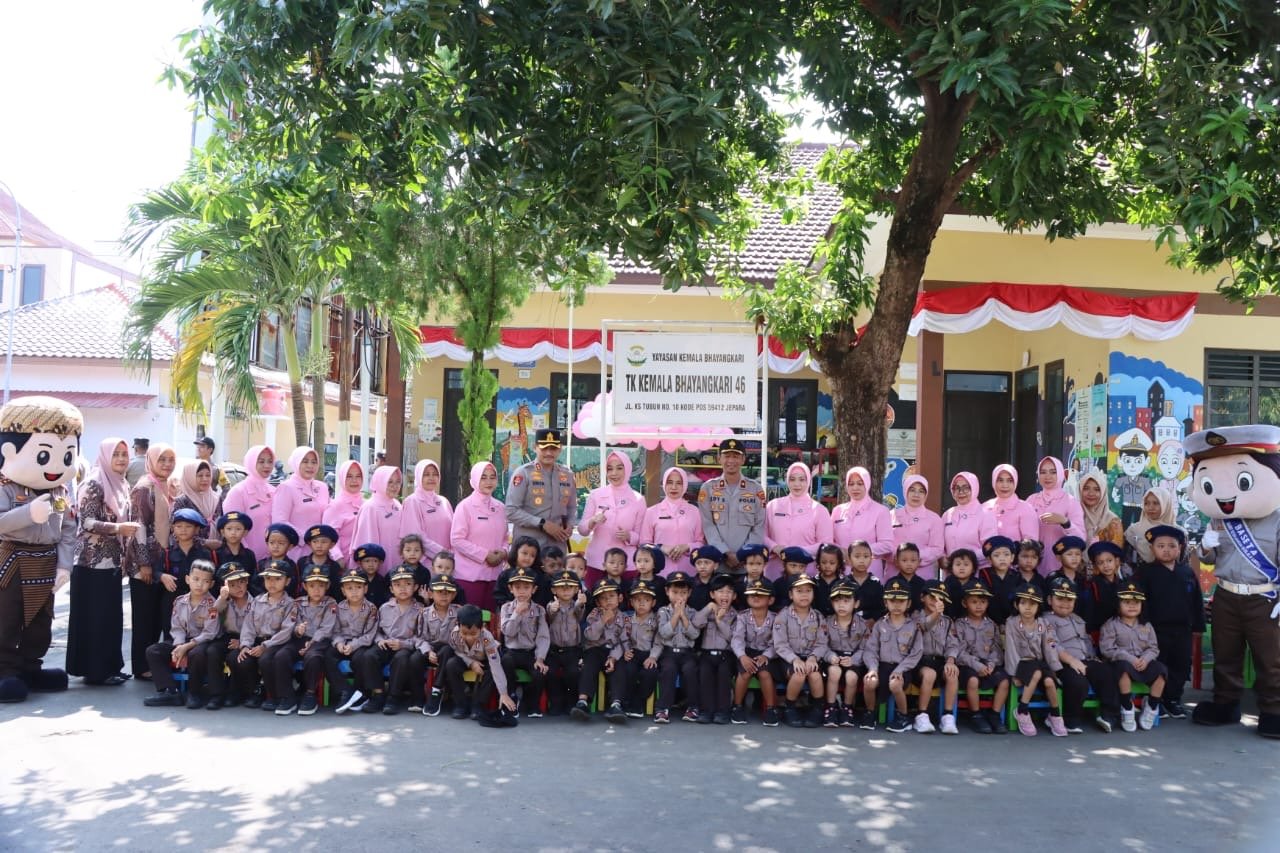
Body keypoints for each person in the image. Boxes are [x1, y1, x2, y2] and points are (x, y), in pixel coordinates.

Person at [68, 437, 138, 686]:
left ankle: (110, 667)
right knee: (96, 619)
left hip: (112, 564)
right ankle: (95, 671)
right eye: (115, 454)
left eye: (124, 454)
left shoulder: (121, 483)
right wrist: (117, 528)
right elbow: (86, 522)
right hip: (91, 564)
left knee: (110, 618)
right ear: (105, 456)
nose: (121, 459)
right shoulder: (94, 483)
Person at [1134, 524, 1204, 720]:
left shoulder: (1187, 572)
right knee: (1159, 665)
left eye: (1172, 546)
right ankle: (1156, 700)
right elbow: (1140, 602)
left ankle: (1173, 700)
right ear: (1152, 548)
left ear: (1180, 548)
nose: (1166, 550)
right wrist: (1143, 624)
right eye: (1161, 546)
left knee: (1181, 665)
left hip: (1183, 630)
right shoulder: (1145, 572)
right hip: (1156, 630)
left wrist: (1198, 626)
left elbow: (1196, 600)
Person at [1043, 576, 1121, 733]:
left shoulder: (1078, 619)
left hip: (1085, 659)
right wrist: (1071, 660)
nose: (1065, 603)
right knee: (1078, 682)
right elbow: (1051, 644)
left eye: (1069, 600)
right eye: (1060, 599)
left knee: (1106, 672)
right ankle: (1071, 720)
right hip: (1062, 663)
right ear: (1050, 600)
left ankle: (1108, 716)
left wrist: (1094, 658)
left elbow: (1085, 640)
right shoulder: (1045, 620)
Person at [126, 442, 177, 680]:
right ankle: (141, 666)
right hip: (145, 565)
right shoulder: (144, 488)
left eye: (170, 460)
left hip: (162, 562)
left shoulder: (166, 485)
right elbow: (139, 527)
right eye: (162, 460)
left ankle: (153, 664)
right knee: (145, 618)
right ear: (151, 461)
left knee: (157, 617)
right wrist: (144, 563)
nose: (167, 464)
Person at [142, 560, 221, 707]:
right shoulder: (179, 601)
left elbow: (210, 633)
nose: (199, 584)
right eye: (196, 579)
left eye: (205, 581)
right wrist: (179, 646)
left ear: (211, 584)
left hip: (202, 642)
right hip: (183, 640)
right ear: (187, 579)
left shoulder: (212, 605)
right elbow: (177, 627)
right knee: (153, 651)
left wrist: (187, 647)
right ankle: (171, 692)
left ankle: (194, 693)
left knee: (196, 654)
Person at [1099, 579, 1167, 732]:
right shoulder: (1111, 624)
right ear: (1118, 604)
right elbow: (1107, 650)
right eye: (1127, 602)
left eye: (1136, 602)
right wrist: (1129, 658)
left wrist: (1146, 659)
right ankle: (1127, 707)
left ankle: (1152, 706)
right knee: (1123, 669)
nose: (1132, 606)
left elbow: (1153, 648)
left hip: (1143, 663)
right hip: (1121, 663)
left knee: (1161, 671)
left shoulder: (1146, 625)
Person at [234, 560, 300, 712]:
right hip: (258, 641)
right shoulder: (257, 601)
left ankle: (275, 696)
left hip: (278, 643)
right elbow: (249, 626)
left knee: (266, 659)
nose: (272, 583)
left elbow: (286, 631)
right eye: (268, 578)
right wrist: (245, 645)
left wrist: (265, 646)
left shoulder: (290, 603)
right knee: (241, 659)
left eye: (278, 579)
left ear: (287, 581)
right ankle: (257, 692)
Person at [862, 576, 923, 733]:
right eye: (892, 601)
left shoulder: (913, 627)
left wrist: (900, 670)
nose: (896, 605)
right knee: (869, 681)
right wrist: (872, 669)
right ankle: (870, 713)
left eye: (901, 601)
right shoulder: (879, 625)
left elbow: (916, 653)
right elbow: (870, 650)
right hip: (882, 667)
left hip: (903, 668)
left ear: (908, 603)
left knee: (895, 684)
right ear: (885, 602)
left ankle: (903, 716)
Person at [697, 439, 766, 576]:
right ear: (719, 458)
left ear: (743, 459)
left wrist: (743, 554)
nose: (731, 461)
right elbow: (707, 524)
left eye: (736, 456)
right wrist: (725, 552)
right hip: (717, 563)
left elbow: (759, 525)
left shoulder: (756, 489)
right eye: (727, 456)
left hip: (747, 565)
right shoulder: (708, 488)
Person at [1005, 582, 1066, 737]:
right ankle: (1022, 711)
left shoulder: (1043, 623)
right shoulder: (1011, 623)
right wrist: (1014, 674)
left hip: (1038, 663)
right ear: (1016, 604)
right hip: (1021, 663)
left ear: (1039, 606)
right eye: (1023, 603)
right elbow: (1011, 650)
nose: (1028, 607)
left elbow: (1050, 647)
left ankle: (1055, 715)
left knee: (1050, 681)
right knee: (1036, 673)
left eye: (1032, 604)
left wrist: (1055, 669)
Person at [951, 578, 1010, 734]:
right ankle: (976, 715)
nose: (979, 606)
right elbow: (959, 651)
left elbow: (997, 649)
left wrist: (991, 664)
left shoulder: (991, 625)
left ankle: (995, 715)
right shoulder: (959, 625)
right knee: (972, 680)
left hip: (988, 664)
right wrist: (977, 665)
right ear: (965, 603)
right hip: (967, 665)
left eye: (983, 602)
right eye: (974, 602)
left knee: (1004, 681)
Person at [578, 450, 644, 588]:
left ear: (628, 469)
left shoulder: (638, 500)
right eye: (610, 469)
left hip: (625, 565)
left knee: (624, 600)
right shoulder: (596, 495)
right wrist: (593, 521)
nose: (614, 473)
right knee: (594, 599)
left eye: (619, 468)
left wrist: (629, 536)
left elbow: (642, 537)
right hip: (597, 562)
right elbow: (582, 530)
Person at [445, 604, 518, 725]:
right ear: (458, 625)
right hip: (466, 658)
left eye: (473, 634)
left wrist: (503, 693)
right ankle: (461, 705)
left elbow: (495, 665)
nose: (469, 637)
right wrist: (471, 663)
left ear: (482, 627)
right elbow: (457, 651)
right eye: (464, 633)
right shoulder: (454, 634)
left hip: (486, 660)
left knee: (491, 673)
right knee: (451, 665)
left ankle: (478, 705)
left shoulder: (487, 638)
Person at [505, 428, 578, 550]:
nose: (549, 453)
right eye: (544, 448)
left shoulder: (568, 475)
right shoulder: (523, 473)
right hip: (528, 548)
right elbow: (511, 510)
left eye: (553, 448)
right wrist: (542, 523)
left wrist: (570, 525)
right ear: (535, 447)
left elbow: (572, 508)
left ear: (560, 449)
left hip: (557, 548)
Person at [450, 461, 508, 612]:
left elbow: (505, 538)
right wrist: (485, 555)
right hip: (470, 576)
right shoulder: (465, 506)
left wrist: (503, 552)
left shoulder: (501, 508)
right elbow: (456, 539)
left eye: (492, 477)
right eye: (483, 477)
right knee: (471, 619)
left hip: (494, 576)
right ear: (475, 479)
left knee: (489, 619)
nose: (489, 482)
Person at [771, 573, 828, 728]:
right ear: (791, 594)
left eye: (808, 591)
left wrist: (813, 657)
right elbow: (780, 644)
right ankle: (790, 708)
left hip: (810, 657)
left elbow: (822, 643)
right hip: (788, 659)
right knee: (799, 675)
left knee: (815, 675)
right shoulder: (783, 616)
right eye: (799, 591)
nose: (804, 595)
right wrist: (795, 659)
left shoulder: (818, 617)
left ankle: (817, 709)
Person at [763, 462, 833, 581]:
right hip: (775, 571)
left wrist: (799, 551)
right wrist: (775, 547)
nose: (797, 484)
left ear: (808, 481)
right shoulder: (773, 506)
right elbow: (761, 534)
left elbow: (826, 543)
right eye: (792, 479)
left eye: (802, 479)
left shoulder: (820, 510)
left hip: (806, 572)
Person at [573, 578, 628, 723]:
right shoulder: (594, 614)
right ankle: (583, 702)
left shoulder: (623, 618)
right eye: (603, 598)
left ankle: (616, 705)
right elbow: (590, 636)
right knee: (589, 666)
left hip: (613, 651)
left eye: (611, 596)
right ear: (597, 602)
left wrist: (613, 657)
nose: (608, 600)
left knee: (620, 668)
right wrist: (602, 620)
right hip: (595, 649)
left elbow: (623, 641)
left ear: (620, 598)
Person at [328, 565, 380, 715]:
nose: (354, 591)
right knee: (327, 656)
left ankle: (361, 692)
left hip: (361, 644)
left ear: (365, 588)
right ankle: (346, 691)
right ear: (343, 591)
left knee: (360, 658)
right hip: (343, 643)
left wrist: (353, 645)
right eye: (349, 588)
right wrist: (339, 643)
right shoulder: (338, 608)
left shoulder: (371, 609)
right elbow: (335, 631)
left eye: (358, 587)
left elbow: (370, 635)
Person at [500, 567, 551, 718]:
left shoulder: (539, 610)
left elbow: (543, 637)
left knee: (539, 672)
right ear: (511, 589)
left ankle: (531, 703)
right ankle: (511, 696)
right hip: (512, 652)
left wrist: (540, 658)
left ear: (534, 589)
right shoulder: (506, 608)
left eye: (526, 587)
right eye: (517, 587)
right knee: (505, 662)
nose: (522, 591)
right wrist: (516, 613)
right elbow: (508, 632)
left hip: (530, 653)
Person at [288, 563, 338, 716]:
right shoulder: (297, 603)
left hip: (320, 641)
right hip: (300, 639)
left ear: (327, 586)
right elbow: (291, 623)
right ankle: (286, 695)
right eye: (312, 586)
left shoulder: (331, 603)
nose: (316, 590)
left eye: (321, 585)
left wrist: (312, 642)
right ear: (304, 586)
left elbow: (326, 628)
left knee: (313, 656)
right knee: (282, 655)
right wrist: (298, 630)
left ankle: (310, 694)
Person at [913, 579, 960, 734]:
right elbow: (924, 626)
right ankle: (922, 715)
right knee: (930, 674)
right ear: (922, 597)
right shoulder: (915, 617)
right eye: (932, 597)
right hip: (919, 661)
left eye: (941, 599)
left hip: (939, 660)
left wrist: (951, 660)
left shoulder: (947, 621)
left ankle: (947, 716)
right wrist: (936, 614)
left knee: (952, 673)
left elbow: (952, 644)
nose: (936, 601)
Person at [821, 577, 869, 728]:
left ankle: (847, 708)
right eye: (837, 600)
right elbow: (821, 645)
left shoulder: (863, 625)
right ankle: (830, 706)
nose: (841, 605)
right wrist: (830, 656)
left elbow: (866, 648)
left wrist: (854, 660)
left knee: (851, 676)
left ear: (856, 603)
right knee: (834, 671)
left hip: (853, 660)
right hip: (833, 659)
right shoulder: (826, 623)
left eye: (846, 601)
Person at [655, 570, 701, 723]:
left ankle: (692, 707)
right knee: (668, 670)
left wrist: (683, 616)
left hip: (687, 652)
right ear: (667, 592)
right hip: (668, 652)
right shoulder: (663, 611)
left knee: (690, 670)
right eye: (675, 592)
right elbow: (664, 633)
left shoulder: (693, 612)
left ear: (689, 593)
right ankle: (663, 709)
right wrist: (676, 615)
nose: (679, 597)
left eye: (683, 593)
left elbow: (694, 635)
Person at [831, 466, 895, 577]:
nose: (855, 488)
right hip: (841, 571)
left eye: (860, 484)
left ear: (867, 484)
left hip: (869, 572)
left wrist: (859, 553)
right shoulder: (838, 510)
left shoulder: (880, 511)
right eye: (851, 484)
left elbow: (887, 545)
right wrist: (840, 552)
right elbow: (829, 540)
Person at [692, 572, 738, 724]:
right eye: (720, 591)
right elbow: (696, 623)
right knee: (705, 676)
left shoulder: (736, 615)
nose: (725, 595)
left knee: (724, 676)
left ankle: (723, 711)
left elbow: (732, 637)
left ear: (734, 596)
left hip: (726, 655)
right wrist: (708, 608)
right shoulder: (708, 611)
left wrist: (719, 621)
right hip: (706, 653)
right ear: (712, 594)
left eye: (729, 592)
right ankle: (706, 710)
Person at [641, 466, 704, 577]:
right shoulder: (651, 512)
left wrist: (687, 546)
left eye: (679, 483)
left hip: (688, 571)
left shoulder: (695, 511)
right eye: (670, 482)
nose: (674, 487)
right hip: (660, 571)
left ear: (684, 485)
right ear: (664, 484)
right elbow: (644, 543)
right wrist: (661, 547)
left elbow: (701, 543)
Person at [272, 446, 331, 562]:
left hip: (321, 551)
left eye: (314, 462)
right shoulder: (286, 487)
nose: (310, 466)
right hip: (296, 550)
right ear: (296, 462)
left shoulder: (322, 487)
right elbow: (280, 521)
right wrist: (307, 538)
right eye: (305, 461)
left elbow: (327, 516)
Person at [1027, 456, 1085, 574]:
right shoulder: (1031, 500)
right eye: (1043, 472)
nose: (1047, 476)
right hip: (1031, 566)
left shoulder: (1070, 501)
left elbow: (1081, 538)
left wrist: (1065, 522)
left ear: (1060, 474)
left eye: (1053, 472)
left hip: (1061, 568)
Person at [207, 563, 253, 709]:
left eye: (241, 582)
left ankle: (235, 693)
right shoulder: (225, 601)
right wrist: (222, 598)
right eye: (232, 584)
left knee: (235, 657)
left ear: (247, 581)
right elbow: (213, 614)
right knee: (212, 651)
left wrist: (242, 642)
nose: (238, 587)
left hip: (250, 638)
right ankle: (216, 694)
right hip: (228, 636)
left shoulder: (256, 601)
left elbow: (257, 629)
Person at [222, 445, 277, 559]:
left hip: (273, 556)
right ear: (251, 462)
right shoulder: (238, 492)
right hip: (246, 557)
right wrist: (245, 554)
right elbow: (231, 526)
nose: (267, 465)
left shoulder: (274, 491)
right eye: (261, 461)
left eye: (270, 461)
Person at [544, 569, 586, 715]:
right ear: (554, 590)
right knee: (551, 674)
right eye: (561, 587)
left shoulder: (576, 606)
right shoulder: (551, 605)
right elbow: (549, 614)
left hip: (572, 650)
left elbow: (579, 613)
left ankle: (571, 702)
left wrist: (580, 603)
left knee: (573, 673)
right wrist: (553, 609)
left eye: (570, 587)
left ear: (576, 589)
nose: (566, 590)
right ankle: (556, 702)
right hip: (554, 650)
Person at [418, 573, 460, 717]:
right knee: (414, 659)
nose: (443, 595)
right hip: (431, 650)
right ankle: (417, 697)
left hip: (452, 651)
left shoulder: (459, 612)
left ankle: (436, 691)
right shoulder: (424, 613)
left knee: (446, 650)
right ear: (430, 594)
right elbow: (420, 638)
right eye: (439, 592)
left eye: (448, 592)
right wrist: (428, 652)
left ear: (453, 595)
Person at [889, 475, 945, 579]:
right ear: (905, 491)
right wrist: (898, 558)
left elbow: (937, 548)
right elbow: (885, 543)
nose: (916, 495)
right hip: (894, 573)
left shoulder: (934, 519)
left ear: (926, 494)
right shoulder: (891, 515)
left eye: (921, 491)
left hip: (923, 575)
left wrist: (914, 558)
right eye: (912, 490)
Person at [621, 578, 662, 718]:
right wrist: (626, 650)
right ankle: (626, 700)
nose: (642, 603)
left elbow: (659, 641)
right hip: (633, 653)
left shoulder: (656, 620)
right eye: (638, 600)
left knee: (650, 673)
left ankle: (638, 702)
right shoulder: (627, 619)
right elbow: (624, 637)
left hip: (649, 654)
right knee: (628, 670)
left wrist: (653, 657)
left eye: (646, 600)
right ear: (632, 602)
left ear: (653, 603)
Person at [351, 466, 404, 573]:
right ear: (380, 482)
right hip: (376, 570)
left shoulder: (397, 505)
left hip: (398, 567)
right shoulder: (370, 507)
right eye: (389, 482)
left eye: (398, 482)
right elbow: (368, 543)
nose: (395, 486)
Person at [400, 459, 453, 561]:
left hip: (447, 563)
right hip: (425, 563)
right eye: (426, 474)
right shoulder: (412, 501)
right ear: (419, 476)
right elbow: (416, 536)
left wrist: (450, 554)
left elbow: (453, 531)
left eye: (435, 474)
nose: (431, 478)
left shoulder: (444, 501)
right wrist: (442, 553)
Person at [981, 463, 1041, 545]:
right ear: (994, 481)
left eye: (1010, 481)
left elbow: (1031, 545)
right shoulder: (985, 507)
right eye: (1000, 480)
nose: (1005, 485)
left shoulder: (1026, 508)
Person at [322, 460, 365, 564]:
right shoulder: (335, 506)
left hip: (367, 565)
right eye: (349, 476)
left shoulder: (366, 504)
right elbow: (329, 536)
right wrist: (338, 559)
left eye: (358, 476)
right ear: (342, 478)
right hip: (343, 564)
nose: (354, 480)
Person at [172, 460, 222, 548]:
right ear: (190, 477)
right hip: (191, 552)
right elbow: (175, 533)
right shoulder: (182, 501)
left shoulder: (216, 498)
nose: (205, 479)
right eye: (200, 475)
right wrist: (204, 543)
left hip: (217, 552)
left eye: (208, 475)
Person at [1123, 486, 1178, 566]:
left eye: (1156, 503)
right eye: (1146, 503)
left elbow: (1183, 563)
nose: (1150, 507)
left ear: (1166, 504)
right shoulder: (1134, 530)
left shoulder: (1179, 532)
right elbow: (1126, 561)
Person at [1048, 536, 1094, 627]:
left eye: (1078, 554)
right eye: (1069, 554)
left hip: (1079, 625)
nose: (1074, 558)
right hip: (1056, 624)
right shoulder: (1052, 578)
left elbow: (1088, 606)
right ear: (1059, 558)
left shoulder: (1083, 580)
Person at [942, 472, 986, 567]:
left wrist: (964, 559)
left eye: (966, 488)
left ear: (974, 488)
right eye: (956, 488)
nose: (961, 492)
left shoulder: (985, 514)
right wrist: (942, 557)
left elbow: (989, 547)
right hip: (951, 572)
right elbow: (940, 545)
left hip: (976, 571)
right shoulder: (947, 514)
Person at [214, 511, 258, 595]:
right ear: (222, 532)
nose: (233, 532)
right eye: (229, 529)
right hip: (223, 597)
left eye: (238, 529)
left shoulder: (249, 555)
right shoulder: (215, 554)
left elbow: (253, 580)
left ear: (245, 532)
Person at [1086, 540, 1125, 633]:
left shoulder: (1124, 584)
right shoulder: (1093, 585)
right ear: (1095, 566)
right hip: (1101, 630)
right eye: (1100, 563)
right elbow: (1090, 612)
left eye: (1109, 561)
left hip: (1122, 629)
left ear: (1117, 561)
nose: (1106, 566)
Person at [1080, 469, 1123, 550]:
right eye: (1086, 488)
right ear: (1080, 490)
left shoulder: (1113, 521)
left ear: (1103, 492)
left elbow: (1116, 552)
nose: (1091, 493)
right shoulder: (1074, 516)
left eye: (1097, 489)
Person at [981, 535, 1020, 625]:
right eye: (996, 555)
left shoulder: (1017, 576)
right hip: (989, 622)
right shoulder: (984, 575)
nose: (1002, 559)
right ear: (989, 559)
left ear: (1012, 557)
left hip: (1013, 622)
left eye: (1006, 554)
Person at [846, 540, 885, 621]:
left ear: (871, 558)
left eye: (866, 556)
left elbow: (882, 608)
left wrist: (874, 619)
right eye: (857, 556)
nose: (862, 561)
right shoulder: (844, 583)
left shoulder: (875, 583)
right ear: (849, 559)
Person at [260, 522, 300, 597]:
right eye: (272, 542)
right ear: (267, 544)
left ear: (290, 546)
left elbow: (294, 587)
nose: (276, 546)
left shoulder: (292, 566)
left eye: (281, 543)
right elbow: (255, 585)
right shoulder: (261, 564)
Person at [887, 542, 927, 612]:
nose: (909, 564)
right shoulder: (891, 583)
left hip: (919, 618)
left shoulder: (923, 584)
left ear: (919, 562)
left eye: (913, 560)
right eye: (904, 560)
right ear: (896, 561)